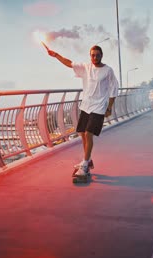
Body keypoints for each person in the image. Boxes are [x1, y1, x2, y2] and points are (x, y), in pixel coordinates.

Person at [47, 45, 119, 176]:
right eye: (93, 55)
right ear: (90, 56)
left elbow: (114, 87)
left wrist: (109, 106)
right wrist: (56, 55)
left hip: (99, 107)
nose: (95, 57)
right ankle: (88, 160)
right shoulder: (86, 67)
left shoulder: (108, 70)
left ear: (101, 55)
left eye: (97, 55)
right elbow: (70, 63)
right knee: (81, 132)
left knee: (88, 133)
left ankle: (85, 164)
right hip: (86, 105)